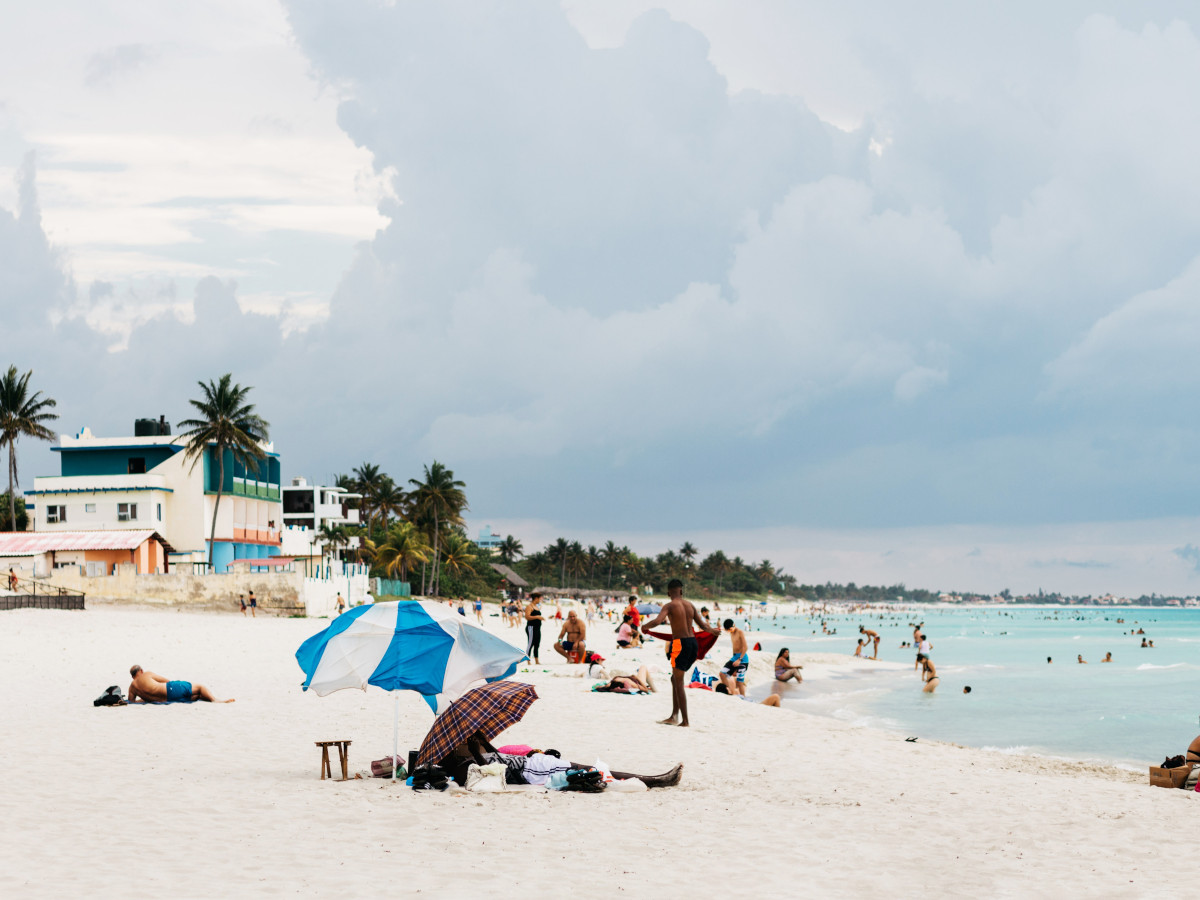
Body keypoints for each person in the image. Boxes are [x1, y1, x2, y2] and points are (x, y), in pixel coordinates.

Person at [639, 579, 719, 727]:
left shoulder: (669, 606)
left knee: (679, 681)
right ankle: (674, 715)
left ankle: (685, 721)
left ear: (669, 593)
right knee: (675, 679)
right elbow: (703, 626)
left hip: (680, 645)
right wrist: (714, 631)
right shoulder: (690, 605)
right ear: (681, 591)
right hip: (693, 644)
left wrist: (645, 626)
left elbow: (658, 621)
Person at [127, 665, 233, 703]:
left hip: (167, 699)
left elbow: (132, 702)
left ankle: (208, 699)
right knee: (200, 687)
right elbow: (167, 681)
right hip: (170, 690)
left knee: (196, 696)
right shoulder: (147, 674)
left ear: (132, 676)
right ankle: (215, 700)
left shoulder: (132, 688)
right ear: (141, 671)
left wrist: (146, 698)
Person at [718, 619, 749, 698]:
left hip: (743, 659)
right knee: (722, 674)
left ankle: (743, 699)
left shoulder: (740, 632)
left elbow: (745, 647)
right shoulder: (731, 633)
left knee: (739, 682)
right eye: (728, 630)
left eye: (731, 629)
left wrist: (739, 660)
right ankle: (729, 693)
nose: (730, 631)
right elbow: (734, 647)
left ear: (734, 625)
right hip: (734, 657)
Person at [525, 593, 545, 664]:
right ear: (536, 598)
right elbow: (527, 617)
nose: (540, 600)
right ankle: (528, 660)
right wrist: (537, 617)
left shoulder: (536, 606)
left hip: (537, 627)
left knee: (537, 643)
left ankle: (537, 660)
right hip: (531, 627)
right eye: (540, 598)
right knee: (530, 643)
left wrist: (540, 618)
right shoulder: (529, 606)